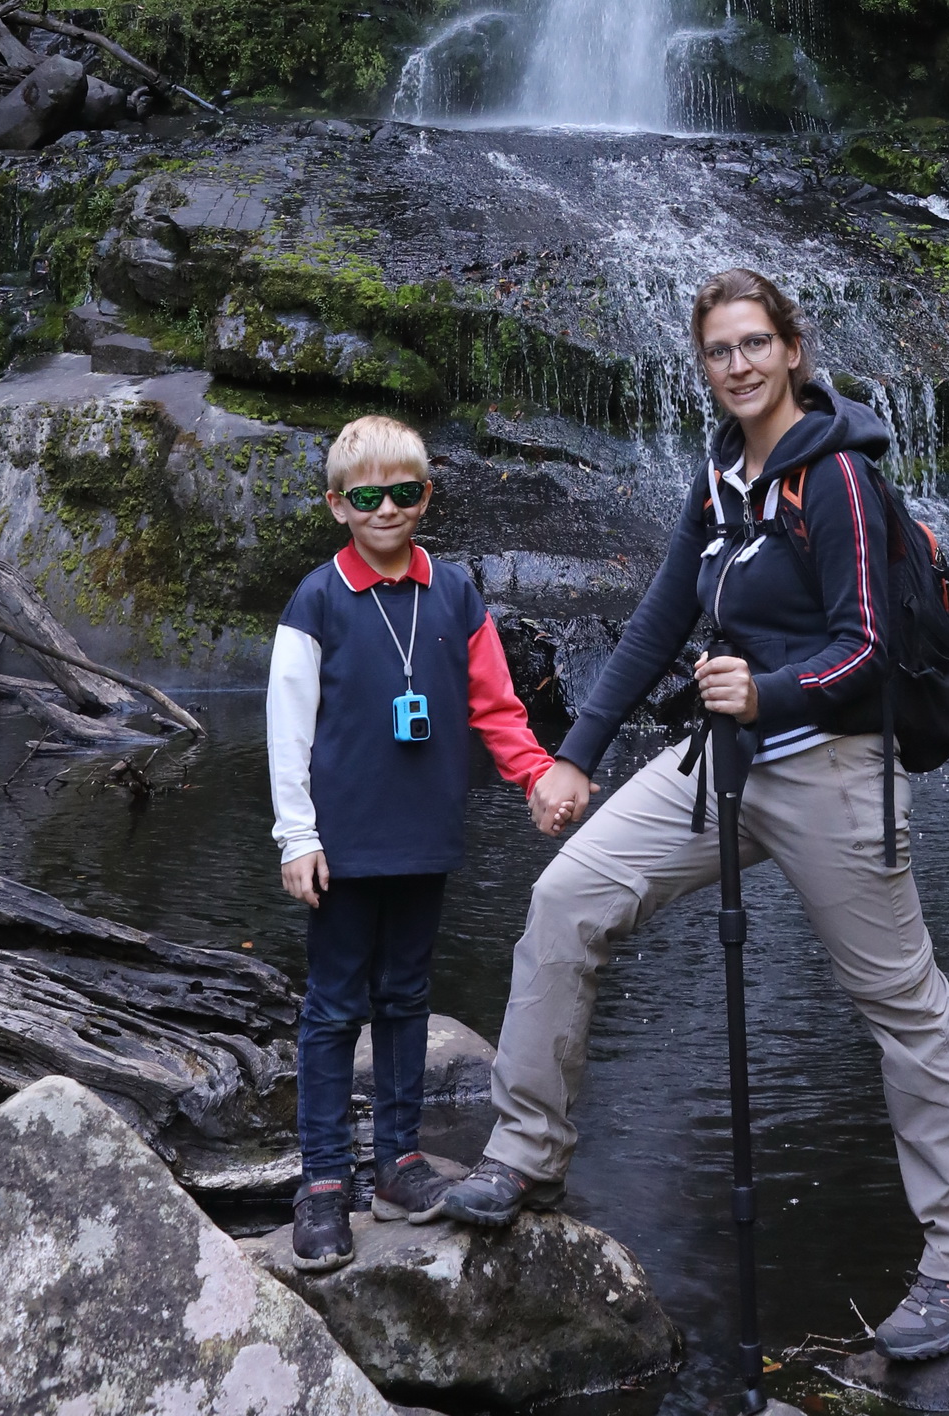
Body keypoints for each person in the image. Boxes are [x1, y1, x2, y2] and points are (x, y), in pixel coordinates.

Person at [440, 267, 949, 1367]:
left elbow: (867, 648)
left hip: (829, 766)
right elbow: (661, 616)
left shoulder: (836, 476)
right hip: (718, 760)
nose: (739, 365)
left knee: (901, 1003)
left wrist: (769, 693)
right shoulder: (717, 476)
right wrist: (575, 756)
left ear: (791, 350)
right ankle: (524, 1151)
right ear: (700, 367)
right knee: (567, 896)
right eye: (719, 351)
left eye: (755, 344)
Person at [269, 410, 594, 1264]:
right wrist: (296, 836)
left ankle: (400, 1160)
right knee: (335, 1006)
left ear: (426, 497)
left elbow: (495, 707)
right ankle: (325, 1181)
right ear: (338, 504)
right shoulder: (317, 600)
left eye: (404, 493)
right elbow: (287, 730)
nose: (387, 509)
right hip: (343, 842)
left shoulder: (454, 594)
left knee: (407, 997)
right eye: (367, 496)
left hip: (423, 836)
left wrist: (534, 777)